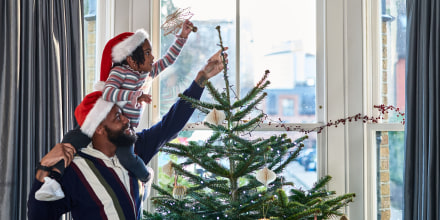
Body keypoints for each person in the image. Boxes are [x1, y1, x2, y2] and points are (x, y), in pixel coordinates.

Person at [27, 48, 228, 220]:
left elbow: (172, 123)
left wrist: (202, 78)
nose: (126, 120)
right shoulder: (75, 169)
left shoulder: (136, 149)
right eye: (117, 117)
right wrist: (43, 169)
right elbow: (40, 215)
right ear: (98, 128)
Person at [34, 20, 195, 201]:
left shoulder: (147, 73)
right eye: (147, 53)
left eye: (151, 53)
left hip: (125, 131)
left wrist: (182, 37)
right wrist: (136, 96)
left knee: (127, 158)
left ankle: (146, 177)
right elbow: (109, 92)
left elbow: (168, 60)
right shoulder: (119, 72)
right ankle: (52, 181)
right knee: (70, 140)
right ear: (131, 60)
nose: (152, 57)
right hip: (104, 124)